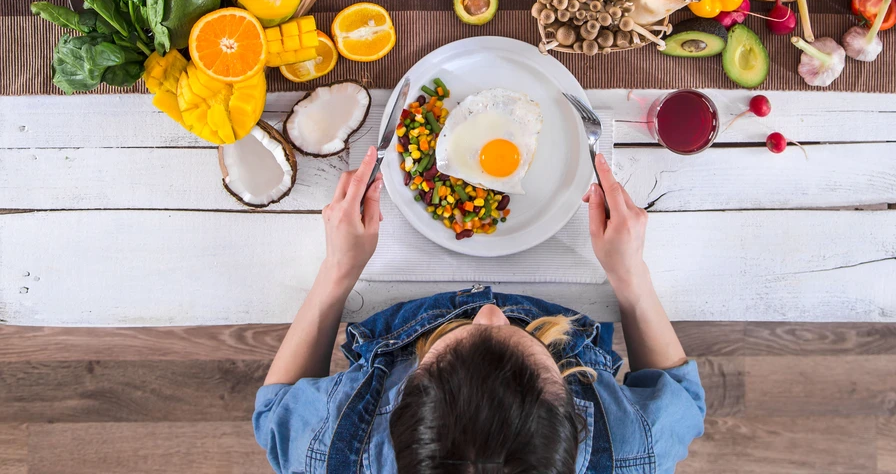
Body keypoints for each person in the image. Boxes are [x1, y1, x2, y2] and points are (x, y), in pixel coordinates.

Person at [254, 146, 705, 474]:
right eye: (528, 344)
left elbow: (275, 410)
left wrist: (337, 271)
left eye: (454, 343)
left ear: (401, 405)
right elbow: (680, 397)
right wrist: (631, 278)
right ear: (572, 412)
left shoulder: (328, 450)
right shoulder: (632, 451)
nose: (490, 311)